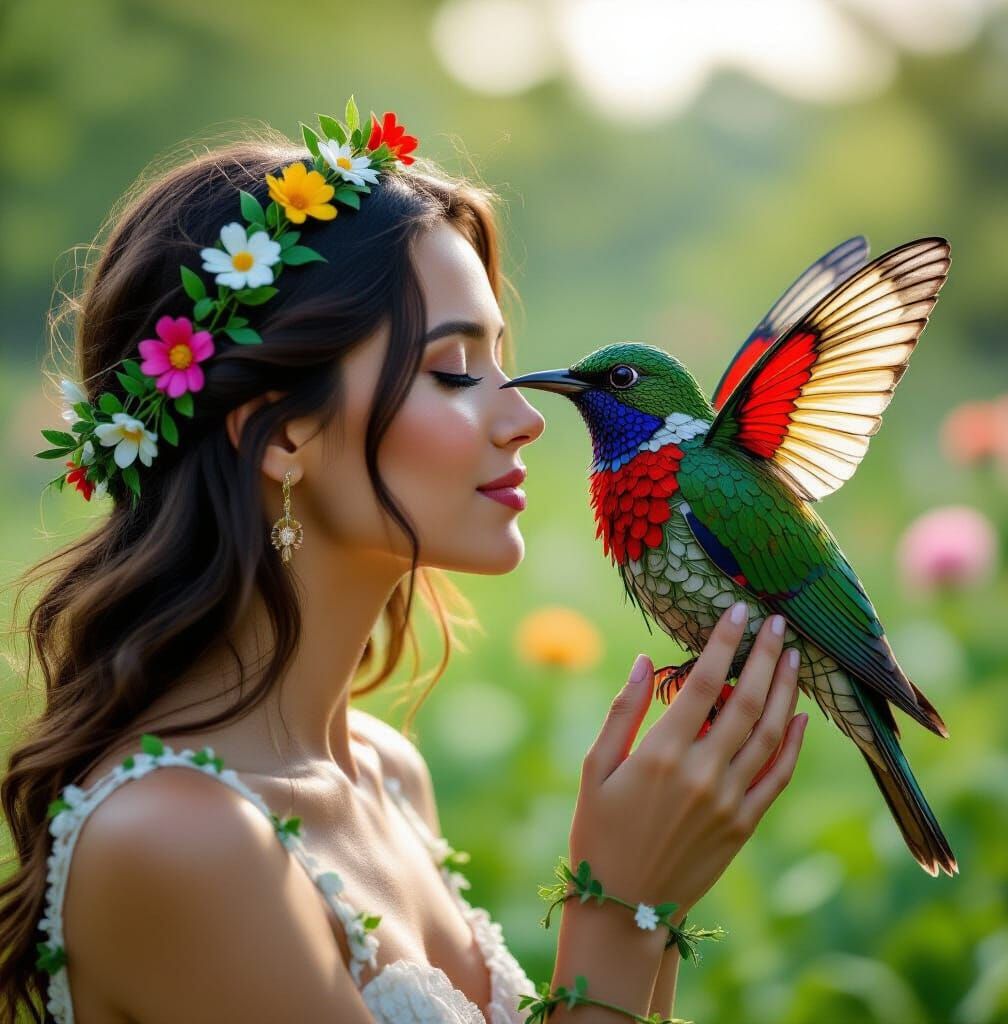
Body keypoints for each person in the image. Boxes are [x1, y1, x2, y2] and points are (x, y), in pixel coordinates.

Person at [0, 106, 808, 1024]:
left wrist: (655, 894)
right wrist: (618, 905)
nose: (524, 417)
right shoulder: (183, 841)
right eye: (456, 371)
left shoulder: (387, 772)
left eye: (500, 359)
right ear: (285, 433)